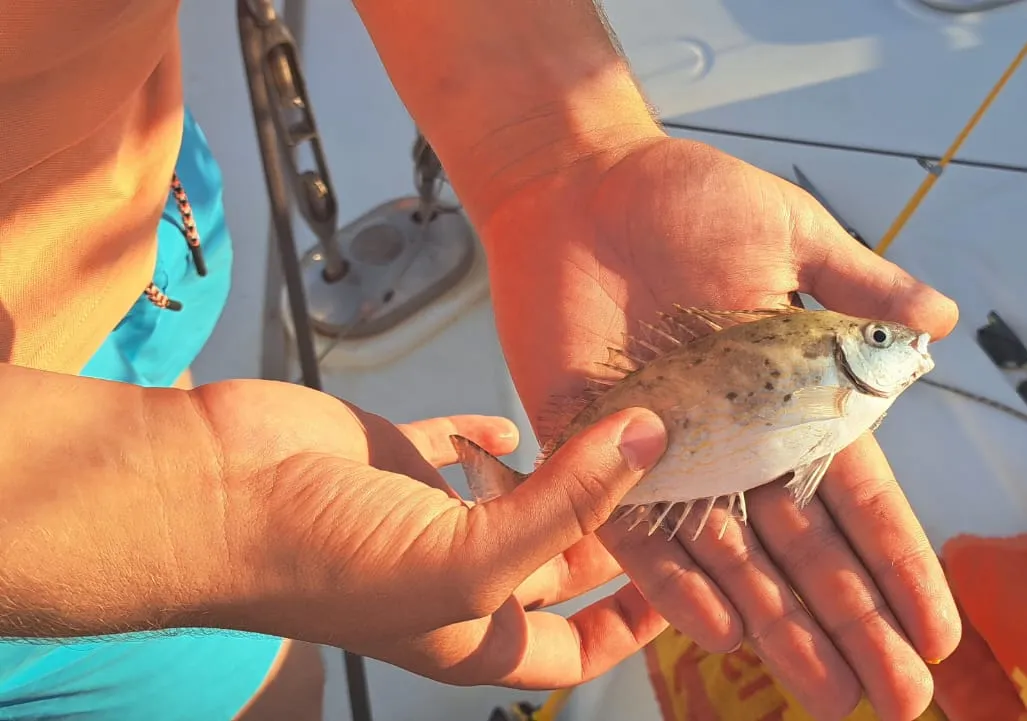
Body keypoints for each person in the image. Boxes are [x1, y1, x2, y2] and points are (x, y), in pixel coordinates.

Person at [0, 1, 967, 720]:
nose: (892, 340)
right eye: (877, 338)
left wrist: (555, 143)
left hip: (141, 300)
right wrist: (211, 518)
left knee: (270, 688)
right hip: (66, 531)